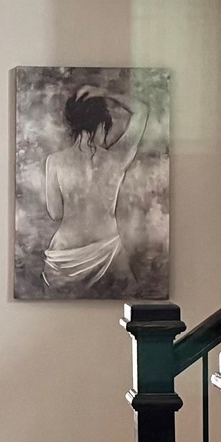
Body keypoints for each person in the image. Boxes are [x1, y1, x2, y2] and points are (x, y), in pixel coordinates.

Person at [42, 82, 151, 293]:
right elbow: (142, 110)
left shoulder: (54, 162)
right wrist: (106, 92)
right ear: (102, 124)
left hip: (65, 256)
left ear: (74, 126)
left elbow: (55, 214)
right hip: (108, 250)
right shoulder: (117, 158)